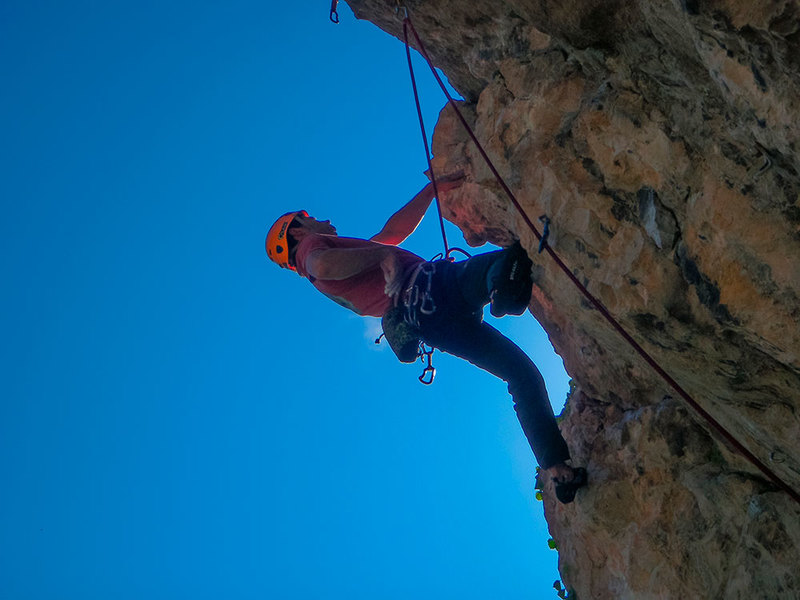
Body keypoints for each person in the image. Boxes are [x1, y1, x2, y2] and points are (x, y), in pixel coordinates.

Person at [265, 176, 587, 503]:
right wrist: (383, 258)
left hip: (431, 324)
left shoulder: (342, 262)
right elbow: (324, 263)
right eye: (309, 217)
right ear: (296, 231)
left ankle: (557, 470)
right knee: (511, 260)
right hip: (430, 288)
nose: (324, 220)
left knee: (521, 374)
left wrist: (431, 189)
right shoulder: (310, 250)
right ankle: (502, 285)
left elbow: (390, 236)